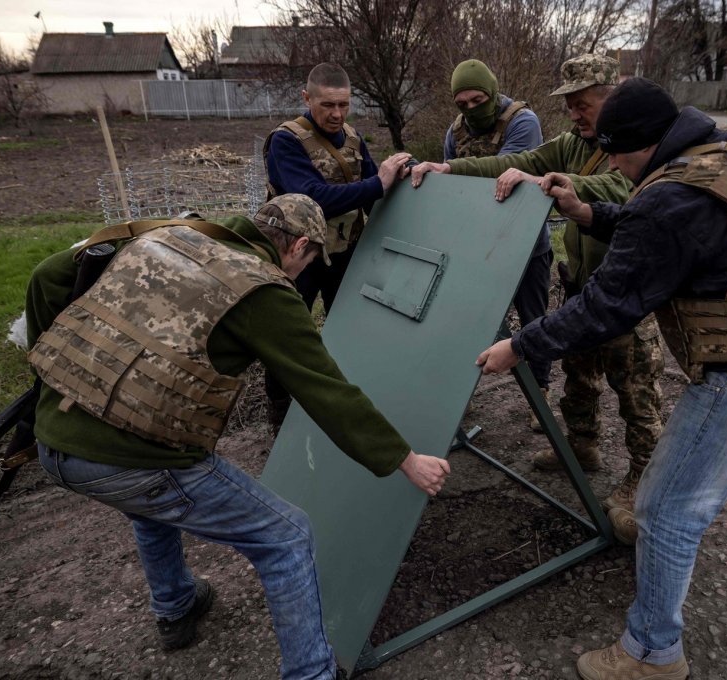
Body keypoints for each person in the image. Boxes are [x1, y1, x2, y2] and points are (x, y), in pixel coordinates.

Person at [476, 78, 727, 680]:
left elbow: (606, 307)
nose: (611, 163)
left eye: (617, 151)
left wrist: (520, 344)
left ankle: (652, 653)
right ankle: (673, 552)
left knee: (665, 508)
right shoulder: (725, 152)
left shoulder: (667, 200)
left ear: (646, 143)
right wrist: (590, 212)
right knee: (693, 493)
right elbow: (672, 229)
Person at [25, 195, 450, 680]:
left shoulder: (169, 234)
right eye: (309, 264)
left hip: (52, 440)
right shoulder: (264, 292)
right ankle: (312, 674)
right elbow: (327, 392)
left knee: (151, 503)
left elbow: (49, 275)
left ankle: (176, 606)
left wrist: (57, 371)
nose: (303, 275)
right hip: (130, 461)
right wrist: (404, 459)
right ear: (300, 247)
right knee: (285, 536)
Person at [409, 54, 663, 517]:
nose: (573, 113)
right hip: (584, 284)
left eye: (581, 103)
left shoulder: (636, 145)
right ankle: (583, 447)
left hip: (628, 291)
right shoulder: (571, 142)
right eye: (568, 104)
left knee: (637, 394)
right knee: (579, 378)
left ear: (611, 97)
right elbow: (523, 160)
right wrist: (454, 170)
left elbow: (616, 188)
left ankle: (646, 487)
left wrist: (559, 186)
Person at [262, 62, 412, 431]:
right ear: (306, 98)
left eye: (344, 104)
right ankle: (280, 411)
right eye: (327, 105)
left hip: (343, 253)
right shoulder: (286, 141)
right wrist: (379, 184)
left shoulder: (353, 138)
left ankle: (343, 401)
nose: (337, 113)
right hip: (297, 258)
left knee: (348, 328)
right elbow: (315, 199)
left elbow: (381, 185)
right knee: (287, 336)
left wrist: (410, 172)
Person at [440, 58, 553, 425]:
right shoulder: (454, 133)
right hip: (480, 245)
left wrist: (458, 174)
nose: (471, 110)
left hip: (526, 244)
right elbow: (454, 189)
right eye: (462, 104)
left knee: (533, 319)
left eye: (478, 100)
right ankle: (459, 395)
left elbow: (506, 170)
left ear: (492, 92)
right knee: (471, 320)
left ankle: (542, 394)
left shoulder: (522, 121)